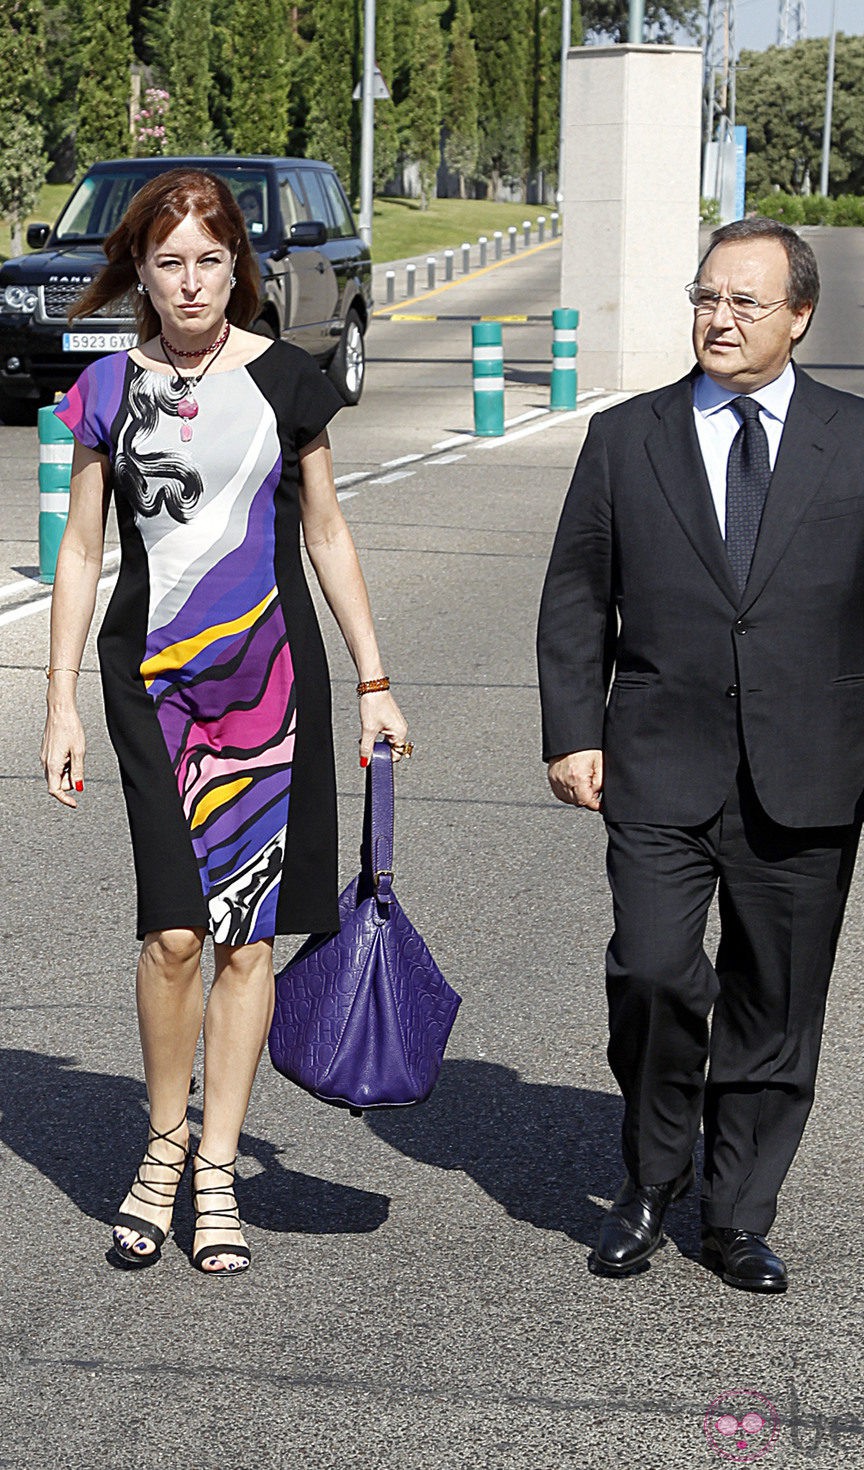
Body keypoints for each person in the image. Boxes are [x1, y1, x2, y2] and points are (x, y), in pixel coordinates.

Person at [537, 217, 864, 1294]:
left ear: (798, 318)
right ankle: (648, 1176)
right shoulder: (625, 437)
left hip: (806, 763)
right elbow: (578, 592)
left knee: (775, 998)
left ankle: (736, 1214)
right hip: (656, 757)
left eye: (743, 302)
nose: (716, 319)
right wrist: (572, 730)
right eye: (704, 296)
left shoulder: (862, 437)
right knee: (651, 970)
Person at [41, 168, 408, 1275]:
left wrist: (374, 678)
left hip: (270, 685)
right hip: (148, 685)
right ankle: (161, 1148)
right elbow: (80, 550)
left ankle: (216, 1169)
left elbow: (328, 534)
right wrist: (56, 701)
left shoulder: (288, 382)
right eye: (168, 263)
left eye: (209, 261)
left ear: (235, 268)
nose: (190, 283)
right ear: (139, 274)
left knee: (245, 935)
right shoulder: (106, 390)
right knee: (172, 931)